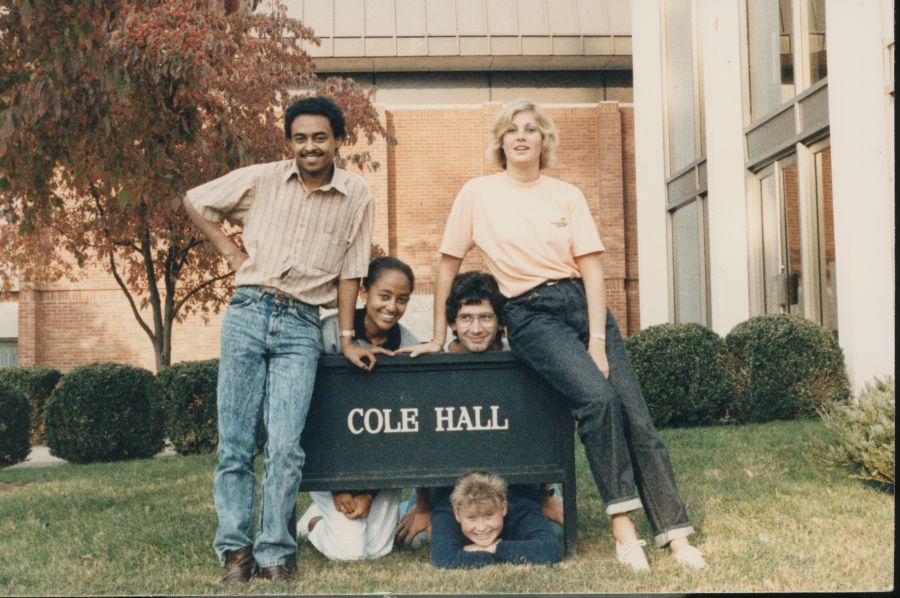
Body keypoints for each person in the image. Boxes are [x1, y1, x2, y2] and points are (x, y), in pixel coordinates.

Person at [405, 98, 707, 571]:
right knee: (598, 401)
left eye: (531, 129)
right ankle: (624, 533)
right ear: (500, 142)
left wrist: (598, 341)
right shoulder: (477, 193)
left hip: (584, 309)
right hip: (530, 314)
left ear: (544, 140)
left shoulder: (566, 194)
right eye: (512, 130)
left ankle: (675, 535)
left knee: (637, 420)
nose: (521, 136)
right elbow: (447, 263)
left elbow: (591, 268)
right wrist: (439, 334)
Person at [183, 96, 377, 582]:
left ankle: (274, 550)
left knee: (286, 445)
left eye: (320, 137)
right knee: (235, 442)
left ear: (337, 140)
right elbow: (196, 200)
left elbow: (352, 272)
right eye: (300, 138)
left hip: (302, 324)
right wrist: (230, 251)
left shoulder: (357, 195)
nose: (309, 147)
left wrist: (349, 337)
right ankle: (235, 549)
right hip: (249, 311)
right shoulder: (264, 177)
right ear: (288, 141)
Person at [395, 271, 563, 547]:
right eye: (466, 318)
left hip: (511, 485)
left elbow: (540, 424)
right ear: (452, 323)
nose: (476, 328)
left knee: (553, 534)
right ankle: (400, 509)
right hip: (450, 486)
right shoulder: (435, 364)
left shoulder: (521, 358)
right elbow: (420, 440)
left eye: (485, 317)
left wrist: (545, 494)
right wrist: (424, 508)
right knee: (419, 540)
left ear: (499, 323)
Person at [297, 256, 418, 560]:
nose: (392, 307)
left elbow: (405, 430)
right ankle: (312, 522)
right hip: (331, 461)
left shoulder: (408, 345)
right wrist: (335, 485)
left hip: (381, 468)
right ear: (364, 292)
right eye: (385, 296)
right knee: (350, 553)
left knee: (378, 550)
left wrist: (369, 493)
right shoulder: (329, 334)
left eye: (402, 300)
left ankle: (338, 516)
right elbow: (313, 415)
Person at [430, 471, 562, 569]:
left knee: (557, 531)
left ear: (504, 507)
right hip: (438, 485)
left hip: (524, 484)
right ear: (457, 514)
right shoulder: (446, 511)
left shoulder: (521, 508)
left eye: (489, 516)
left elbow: (551, 550)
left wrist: (496, 547)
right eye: (471, 518)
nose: (481, 528)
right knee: (418, 539)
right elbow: (445, 559)